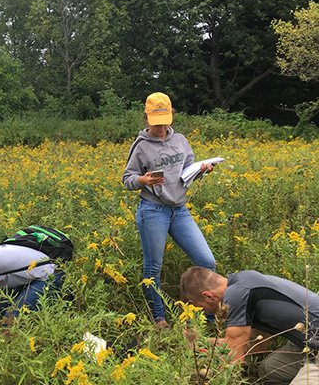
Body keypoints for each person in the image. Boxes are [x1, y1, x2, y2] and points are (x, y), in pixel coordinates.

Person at [122, 92, 216, 328]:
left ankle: (206, 317)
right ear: (146, 118)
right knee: (153, 267)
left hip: (179, 210)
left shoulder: (180, 140)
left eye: (165, 121)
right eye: (156, 122)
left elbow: (188, 168)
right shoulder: (141, 146)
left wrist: (202, 169)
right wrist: (143, 180)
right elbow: (127, 179)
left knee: (207, 261)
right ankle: (159, 319)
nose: (162, 127)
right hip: (153, 210)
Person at [180, 267, 319, 384]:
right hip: (306, 344)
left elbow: (234, 362)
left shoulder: (235, 295)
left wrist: (209, 375)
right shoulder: (243, 283)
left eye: (201, 307)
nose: (205, 312)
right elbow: (257, 345)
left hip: (315, 345)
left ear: (208, 296)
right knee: (269, 369)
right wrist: (204, 343)